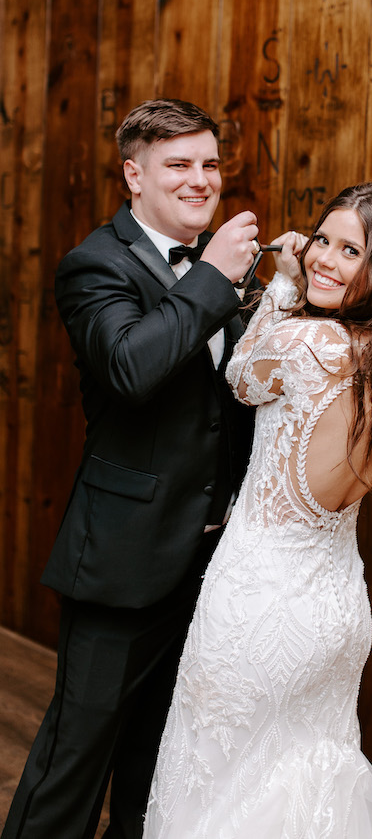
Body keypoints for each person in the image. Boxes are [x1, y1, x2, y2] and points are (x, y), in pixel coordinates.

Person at [143, 182, 372, 838]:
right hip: (337, 609)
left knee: (218, 785)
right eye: (323, 241)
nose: (325, 259)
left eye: (352, 250)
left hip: (261, 601)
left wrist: (283, 285)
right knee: (303, 788)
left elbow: (240, 375)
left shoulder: (310, 344)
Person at [2, 98, 263, 839]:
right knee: (74, 761)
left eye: (209, 164)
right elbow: (128, 368)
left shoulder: (227, 264)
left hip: (211, 559)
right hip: (123, 560)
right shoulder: (96, 264)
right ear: (133, 175)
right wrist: (212, 278)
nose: (200, 179)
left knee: (158, 765)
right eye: (178, 164)